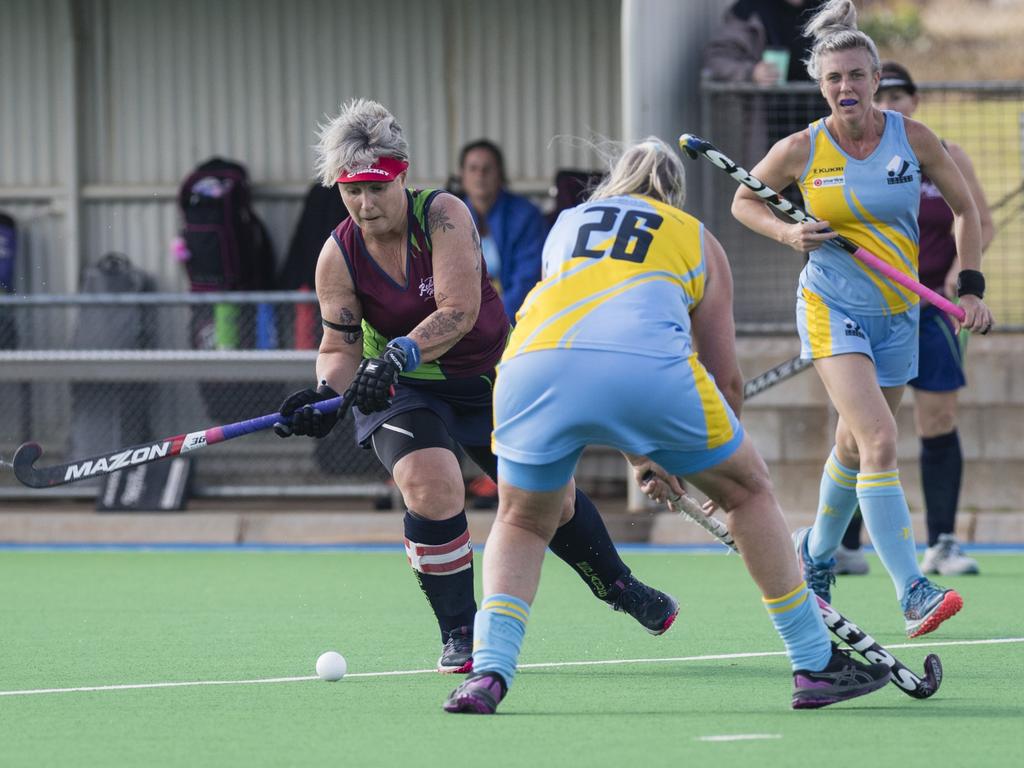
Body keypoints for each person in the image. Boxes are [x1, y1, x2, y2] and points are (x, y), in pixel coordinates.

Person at [443, 137, 893, 715]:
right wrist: (696, 465)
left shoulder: (567, 225)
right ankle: (814, 662)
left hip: (530, 364)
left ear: (613, 183)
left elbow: (587, 335)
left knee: (523, 519)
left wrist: (647, 454)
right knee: (748, 491)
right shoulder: (694, 236)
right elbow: (721, 379)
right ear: (673, 194)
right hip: (648, 372)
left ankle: (488, 675)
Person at [273, 99, 679, 675]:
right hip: (401, 390)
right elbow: (338, 347)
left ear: (402, 173)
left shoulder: (444, 215)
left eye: (376, 188)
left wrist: (397, 351)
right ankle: (461, 633)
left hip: (487, 378)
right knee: (430, 485)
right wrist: (322, 395)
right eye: (350, 190)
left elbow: (458, 311)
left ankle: (618, 585)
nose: (364, 204)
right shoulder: (337, 255)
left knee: (552, 501)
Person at [729, 1, 994, 640]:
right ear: (819, 86)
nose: (844, 87)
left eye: (855, 75)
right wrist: (789, 233)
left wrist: (974, 286)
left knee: (852, 447)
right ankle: (912, 590)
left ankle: (815, 558)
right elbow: (743, 202)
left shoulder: (915, 139)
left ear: (875, 80)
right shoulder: (801, 149)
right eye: (832, 79)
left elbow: (964, 211)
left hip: (899, 313)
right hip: (831, 306)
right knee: (877, 440)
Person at [838, 62, 995, 577]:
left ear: (915, 102)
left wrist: (957, 278)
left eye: (908, 95)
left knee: (938, 420)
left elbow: (976, 221)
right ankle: (846, 544)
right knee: (862, 426)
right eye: (893, 94)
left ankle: (943, 542)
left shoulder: (940, 152)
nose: (899, 103)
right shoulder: (857, 155)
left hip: (933, 311)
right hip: (867, 309)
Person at [703, 0, 829, 161]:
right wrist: (752, 72)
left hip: (823, 124)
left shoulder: (829, 8)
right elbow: (716, 58)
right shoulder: (748, 10)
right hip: (769, 128)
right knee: (771, 183)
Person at [456, 139, 547, 321]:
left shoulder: (526, 216)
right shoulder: (449, 216)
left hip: (512, 320)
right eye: (473, 168)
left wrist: (492, 323)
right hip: (464, 322)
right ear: (462, 176)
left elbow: (526, 281)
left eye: (487, 169)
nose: (480, 175)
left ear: (500, 174)